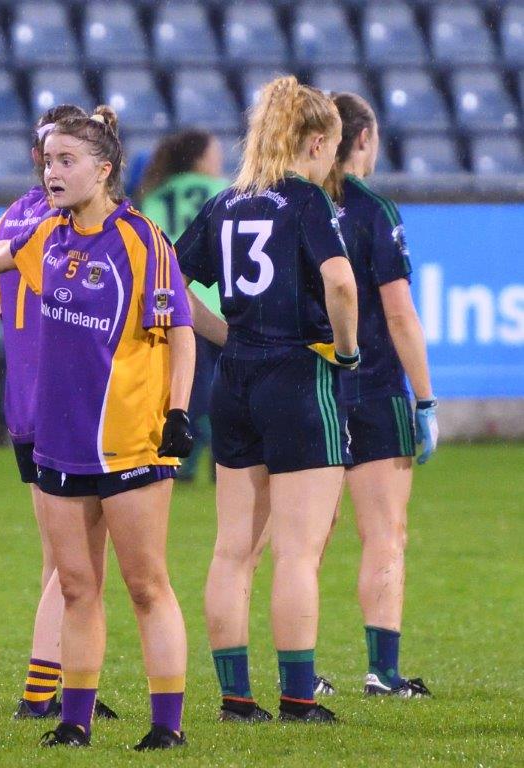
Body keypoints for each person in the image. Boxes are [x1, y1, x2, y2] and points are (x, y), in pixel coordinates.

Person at [0, 106, 195, 750]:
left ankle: (167, 726)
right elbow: (4, 255)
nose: (52, 171)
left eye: (66, 161)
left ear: (103, 170)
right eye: (48, 160)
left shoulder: (141, 240)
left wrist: (179, 412)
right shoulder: (49, 234)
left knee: (146, 585)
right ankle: (73, 721)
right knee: (76, 586)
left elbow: (180, 330)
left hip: (130, 439)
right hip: (59, 439)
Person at [175, 75, 359, 723]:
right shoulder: (307, 202)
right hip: (296, 376)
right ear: (314, 142)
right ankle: (298, 698)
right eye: (333, 147)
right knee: (299, 551)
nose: (334, 161)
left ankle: (234, 698)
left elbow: (170, 283)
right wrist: (346, 350)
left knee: (233, 550)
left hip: (236, 380)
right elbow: (340, 283)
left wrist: (228, 334)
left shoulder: (227, 202)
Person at [0, 105, 118, 721]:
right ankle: (44, 693)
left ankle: (71, 685)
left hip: (24, 399)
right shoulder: (72, 225)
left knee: (59, 557)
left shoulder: (15, 215)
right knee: (78, 562)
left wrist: (14, 318)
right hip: (70, 405)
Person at [324, 92, 438, 697]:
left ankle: (302, 674)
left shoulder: (296, 204)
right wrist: (425, 401)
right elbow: (400, 316)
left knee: (304, 539)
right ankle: (382, 671)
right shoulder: (374, 210)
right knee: (385, 532)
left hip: (310, 390)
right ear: (363, 138)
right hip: (373, 390)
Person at [139, 129, 228, 482]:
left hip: (173, 304)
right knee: (225, 388)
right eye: (215, 153)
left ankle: (184, 457)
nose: (219, 160)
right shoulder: (224, 194)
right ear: (199, 158)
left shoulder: (154, 196)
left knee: (186, 384)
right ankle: (223, 459)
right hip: (219, 306)